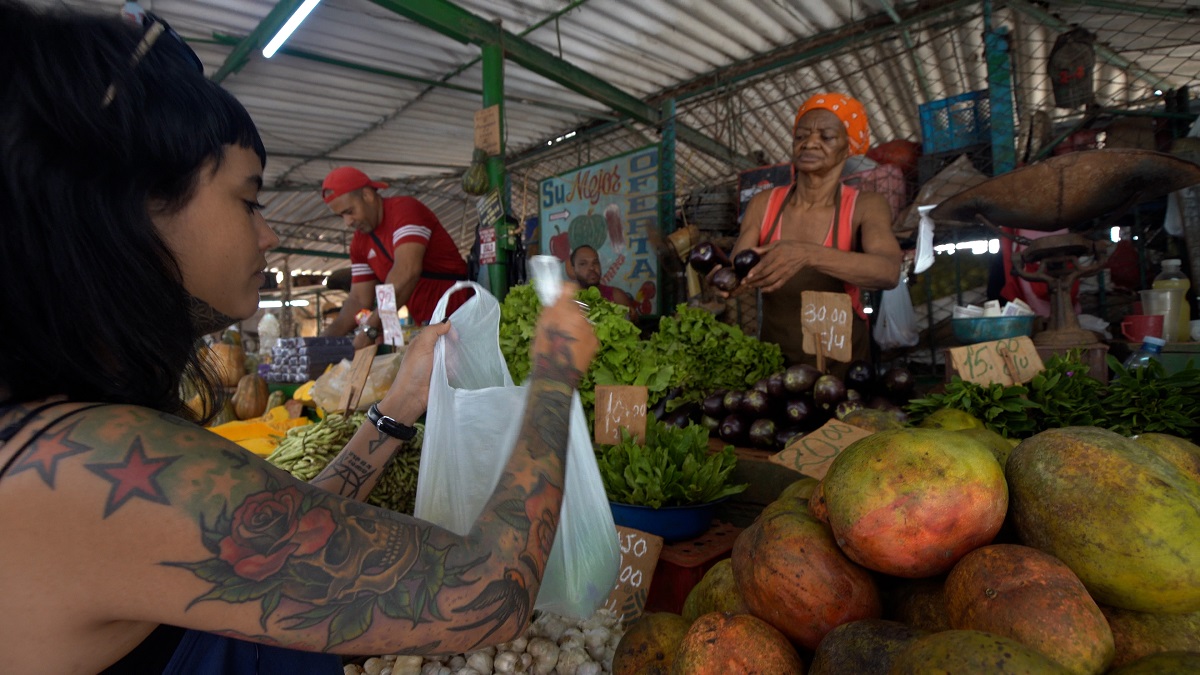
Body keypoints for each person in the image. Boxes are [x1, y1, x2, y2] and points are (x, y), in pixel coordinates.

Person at [0, 3, 598, 674]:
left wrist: (394, 412)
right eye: (248, 199)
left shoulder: (48, 438)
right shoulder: (96, 464)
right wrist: (551, 376)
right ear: (131, 204)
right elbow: (487, 589)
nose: (269, 233)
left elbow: (274, 545)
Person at [722, 93, 902, 367]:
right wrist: (724, 281)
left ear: (848, 146)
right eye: (801, 136)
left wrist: (807, 255)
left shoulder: (865, 205)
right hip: (777, 362)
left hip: (843, 364)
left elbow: (888, 272)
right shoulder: (763, 204)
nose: (810, 143)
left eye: (826, 137)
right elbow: (739, 271)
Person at [320, 166, 470, 347]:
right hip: (426, 325)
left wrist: (371, 329)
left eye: (349, 211)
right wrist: (322, 341)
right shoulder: (359, 243)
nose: (347, 222)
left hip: (460, 315)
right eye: (341, 216)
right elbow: (358, 299)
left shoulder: (405, 211)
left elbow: (406, 271)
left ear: (367, 195)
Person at [569, 245, 640, 321]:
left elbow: (634, 328)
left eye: (595, 262)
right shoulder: (566, 300)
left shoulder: (617, 297)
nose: (592, 268)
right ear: (573, 270)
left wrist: (633, 317)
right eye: (583, 264)